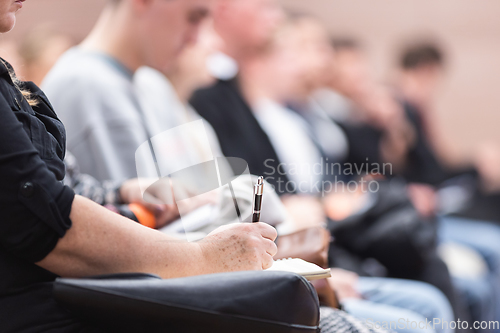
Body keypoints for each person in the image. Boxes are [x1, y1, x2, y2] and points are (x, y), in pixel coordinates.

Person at [0, 0, 279, 331]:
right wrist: (204, 257)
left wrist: (123, 193)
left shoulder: (148, 85)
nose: (203, 39)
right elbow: (47, 219)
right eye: (195, 17)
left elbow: (60, 190)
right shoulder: (90, 84)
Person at [190, 5, 454, 332]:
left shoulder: (304, 111)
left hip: (308, 239)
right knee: (424, 305)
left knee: (430, 270)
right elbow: (264, 199)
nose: (317, 60)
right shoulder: (216, 102)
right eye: (299, 50)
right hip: (286, 249)